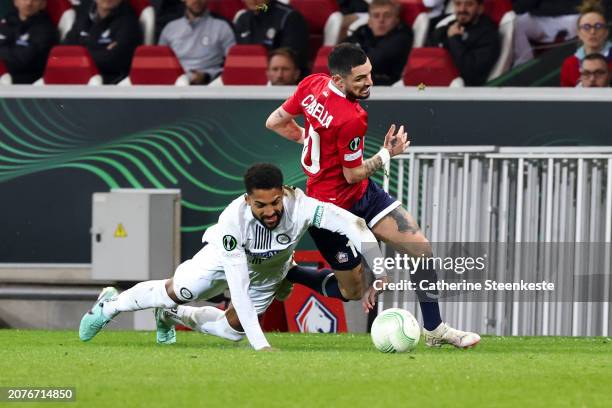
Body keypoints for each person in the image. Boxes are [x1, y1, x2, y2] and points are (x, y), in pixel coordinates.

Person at [265, 43, 480, 349]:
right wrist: (387, 153)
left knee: (419, 247)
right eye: (360, 79)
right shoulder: (352, 117)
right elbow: (352, 173)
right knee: (352, 291)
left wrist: (309, 140)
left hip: (364, 196)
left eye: (369, 74)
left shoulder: (311, 83)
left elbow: (274, 122)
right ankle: (292, 273)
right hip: (330, 211)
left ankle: (435, 329)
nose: (369, 83)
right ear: (339, 81)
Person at [79, 163, 386, 350]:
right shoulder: (232, 222)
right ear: (247, 199)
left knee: (232, 332)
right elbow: (237, 288)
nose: (270, 211)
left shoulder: (303, 206)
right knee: (181, 291)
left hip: (268, 272)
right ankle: (111, 306)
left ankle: (172, 316)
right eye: (260, 205)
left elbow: (355, 225)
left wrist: (382, 272)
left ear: (283, 192)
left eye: (275, 202)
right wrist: (263, 345)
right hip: (224, 260)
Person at [63, 0, 142, 84]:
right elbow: (65, 50)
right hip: (75, 78)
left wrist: (82, 53)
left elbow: (113, 59)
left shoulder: (129, 21)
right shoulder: (85, 13)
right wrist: (101, 50)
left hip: (109, 85)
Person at [158, 0, 235, 85]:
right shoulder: (170, 28)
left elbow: (233, 64)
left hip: (212, 84)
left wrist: (207, 76)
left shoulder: (222, 27)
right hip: (176, 83)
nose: (197, 1)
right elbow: (160, 63)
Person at [431, 0, 500, 86]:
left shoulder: (488, 35)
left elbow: (470, 73)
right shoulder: (450, 26)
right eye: (458, 4)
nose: (462, 9)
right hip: (434, 82)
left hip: (461, 92)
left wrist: (454, 39)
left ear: (480, 8)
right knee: (418, 85)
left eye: (469, 4)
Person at [345, 0, 413, 86]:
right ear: (369, 21)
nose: (381, 20)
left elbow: (375, 60)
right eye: (376, 16)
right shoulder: (361, 32)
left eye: (387, 16)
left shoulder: (402, 36)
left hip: (388, 86)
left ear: (396, 20)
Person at [234, 0, 309, 74]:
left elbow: (292, 58)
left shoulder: (289, 16)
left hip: (281, 80)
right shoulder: (242, 19)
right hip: (247, 75)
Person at [0, 0, 57, 83]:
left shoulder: (46, 29)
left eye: (35, 0)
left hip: (27, 86)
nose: (29, 3)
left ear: (43, 4)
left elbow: (24, 59)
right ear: (15, 1)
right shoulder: (6, 22)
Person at [512, 0, 582, 66]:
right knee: (516, 21)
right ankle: (524, 62)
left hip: (566, 19)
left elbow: (520, 8)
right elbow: (520, 8)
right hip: (580, 17)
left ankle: (525, 62)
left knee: (516, 22)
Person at [560, 0, 612, 87]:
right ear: (578, 33)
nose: (592, 31)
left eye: (598, 26)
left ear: (606, 32)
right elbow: (566, 98)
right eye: (586, 27)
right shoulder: (569, 64)